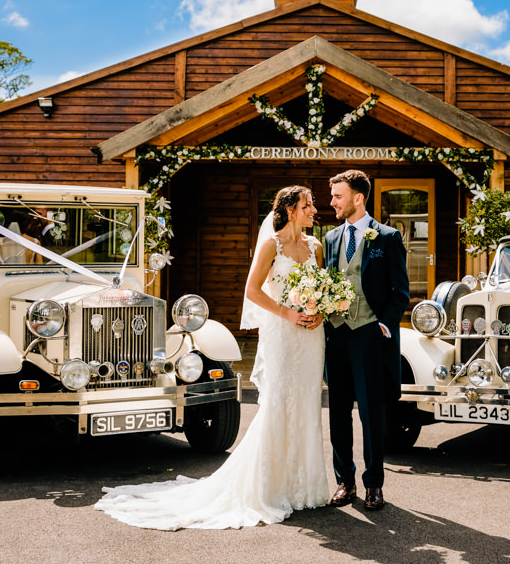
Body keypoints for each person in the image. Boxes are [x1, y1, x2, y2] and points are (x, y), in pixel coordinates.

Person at [95, 186, 328, 530]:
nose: (314, 209)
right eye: (308, 205)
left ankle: (305, 486)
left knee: (308, 402)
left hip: (311, 335)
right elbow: (252, 291)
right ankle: (270, 486)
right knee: (279, 403)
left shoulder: (315, 247)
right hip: (282, 333)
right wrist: (287, 314)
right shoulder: (271, 245)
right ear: (291, 209)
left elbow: (321, 286)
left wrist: (319, 310)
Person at [323, 169, 410, 512]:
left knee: (371, 414)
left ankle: (374, 484)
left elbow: (400, 292)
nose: (332, 202)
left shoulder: (387, 238)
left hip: (369, 336)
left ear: (358, 199)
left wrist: (382, 328)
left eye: (337, 196)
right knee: (338, 413)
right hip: (337, 336)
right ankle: (345, 482)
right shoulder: (331, 238)